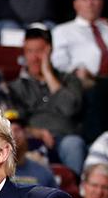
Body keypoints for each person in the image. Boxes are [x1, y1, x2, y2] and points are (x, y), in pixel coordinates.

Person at [10, 24, 85, 174]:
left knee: (74, 144)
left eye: (39, 51)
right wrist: (35, 132)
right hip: (31, 140)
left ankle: (75, 193)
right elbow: (13, 122)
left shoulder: (69, 80)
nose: (34, 58)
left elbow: (70, 108)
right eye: (29, 51)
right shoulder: (16, 86)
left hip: (64, 139)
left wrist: (48, 74)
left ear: (50, 51)